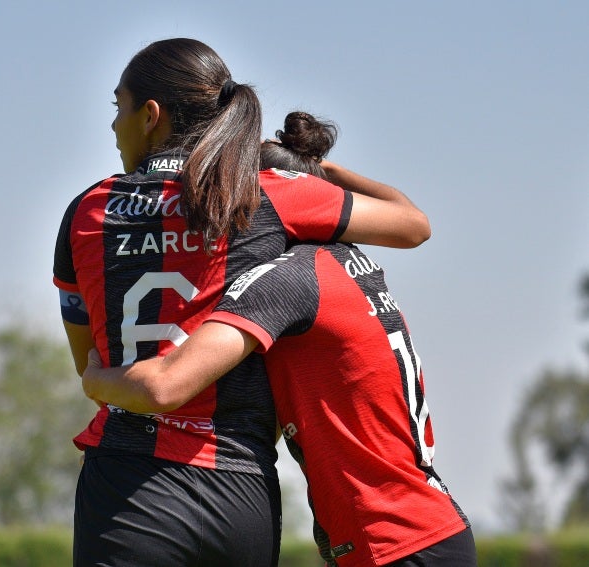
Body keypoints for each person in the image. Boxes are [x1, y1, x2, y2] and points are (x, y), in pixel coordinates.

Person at [54, 38, 430, 567]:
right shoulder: (266, 192)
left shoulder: (85, 212)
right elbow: (413, 225)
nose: (114, 125)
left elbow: (86, 362)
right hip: (240, 490)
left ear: (151, 116)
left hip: (129, 486)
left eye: (119, 107)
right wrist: (316, 170)